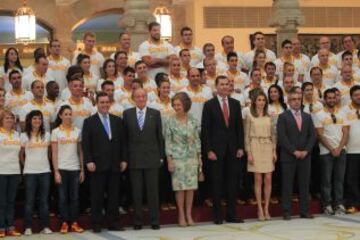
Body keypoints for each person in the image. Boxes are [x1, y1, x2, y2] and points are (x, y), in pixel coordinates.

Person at [201, 75, 244, 224]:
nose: (225, 87)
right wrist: (208, 150)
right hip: (216, 151)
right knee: (217, 183)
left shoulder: (235, 104)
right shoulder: (209, 105)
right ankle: (218, 216)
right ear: (216, 87)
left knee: (232, 183)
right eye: (222, 84)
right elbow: (205, 130)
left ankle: (231, 214)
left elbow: (239, 128)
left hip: (233, 150)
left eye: (227, 84)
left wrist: (240, 147)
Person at [82, 92, 126, 232]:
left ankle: (114, 222)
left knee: (114, 195)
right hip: (97, 165)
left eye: (107, 102)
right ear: (96, 104)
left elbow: (123, 143)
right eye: (102, 102)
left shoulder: (117, 120)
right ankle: (96, 224)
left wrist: (124, 159)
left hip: (114, 164)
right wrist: (88, 161)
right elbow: (86, 144)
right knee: (97, 196)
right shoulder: (89, 122)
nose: (105, 105)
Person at [123, 88, 164, 230]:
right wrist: (125, 158)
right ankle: (138, 221)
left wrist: (161, 156)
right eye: (137, 96)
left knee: (153, 191)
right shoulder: (127, 114)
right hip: (134, 159)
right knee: (136, 192)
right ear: (133, 98)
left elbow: (159, 137)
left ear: (146, 98)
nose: (140, 99)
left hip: (152, 158)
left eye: (143, 96)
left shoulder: (155, 113)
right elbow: (125, 139)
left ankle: (155, 220)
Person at [277, 88, 317, 220]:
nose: (296, 102)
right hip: (289, 156)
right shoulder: (283, 117)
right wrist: (294, 151)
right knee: (287, 185)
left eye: (298, 99)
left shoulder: (307, 116)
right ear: (288, 102)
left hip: (305, 156)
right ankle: (287, 211)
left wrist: (306, 151)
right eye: (293, 99)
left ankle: (304, 211)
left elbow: (312, 136)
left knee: (305, 185)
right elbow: (282, 137)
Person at [165, 92, 201, 226]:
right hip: (177, 158)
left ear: (185, 104)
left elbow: (197, 140)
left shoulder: (193, 119)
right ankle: (181, 215)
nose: (176, 107)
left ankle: (189, 215)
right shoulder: (170, 120)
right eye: (174, 105)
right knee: (180, 188)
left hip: (192, 157)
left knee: (190, 187)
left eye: (178, 104)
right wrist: (169, 159)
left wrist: (199, 156)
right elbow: (168, 142)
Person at [314, 88, 349, 215]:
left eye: (333, 97)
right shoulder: (319, 115)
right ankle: (327, 205)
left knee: (339, 179)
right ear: (325, 99)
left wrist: (339, 148)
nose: (332, 100)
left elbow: (346, 132)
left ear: (336, 98)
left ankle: (339, 204)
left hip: (341, 151)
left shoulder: (342, 113)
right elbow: (319, 135)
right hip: (326, 152)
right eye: (329, 98)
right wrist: (332, 149)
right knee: (326, 180)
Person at [51, 105, 84, 234]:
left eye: (70, 114)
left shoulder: (77, 131)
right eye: (66, 114)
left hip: (75, 168)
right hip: (62, 169)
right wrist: (56, 171)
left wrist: (82, 170)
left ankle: (74, 222)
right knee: (63, 198)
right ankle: (64, 223)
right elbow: (54, 153)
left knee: (75, 197)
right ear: (60, 116)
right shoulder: (55, 132)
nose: (68, 116)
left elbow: (80, 151)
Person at [245, 91, 277, 221]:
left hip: (268, 146)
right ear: (254, 102)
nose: (261, 102)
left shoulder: (270, 117)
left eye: (263, 100)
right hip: (255, 146)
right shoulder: (249, 116)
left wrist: (274, 151)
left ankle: (266, 208)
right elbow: (246, 136)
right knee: (258, 179)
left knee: (268, 178)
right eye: (259, 100)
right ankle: (259, 208)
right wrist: (249, 153)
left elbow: (274, 135)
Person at [20, 110, 52, 235]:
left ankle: (45, 226)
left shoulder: (47, 135)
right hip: (30, 172)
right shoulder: (24, 136)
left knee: (44, 201)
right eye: (34, 118)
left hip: (45, 171)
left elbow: (50, 152)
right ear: (30, 120)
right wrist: (25, 166)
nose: (37, 121)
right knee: (29, 201)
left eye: (39, 118)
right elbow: (21, 154)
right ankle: (28, 227)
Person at [0, 110, 22, 237]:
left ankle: (10, 227)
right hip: (1, 171)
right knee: (1, 201)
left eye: (11, 118)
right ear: (2, 120)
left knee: (11, 201)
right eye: (6, 118)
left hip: (14, 171)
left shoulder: (16, 135)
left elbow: (19, 155)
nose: (9, 120)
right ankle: (1, 227)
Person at [343, 85, 360, 213]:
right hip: (351, 150)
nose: (358, 97)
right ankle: (352, 204)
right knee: (351, 179)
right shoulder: (345, 110)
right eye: (356, 95)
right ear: (351, 97)